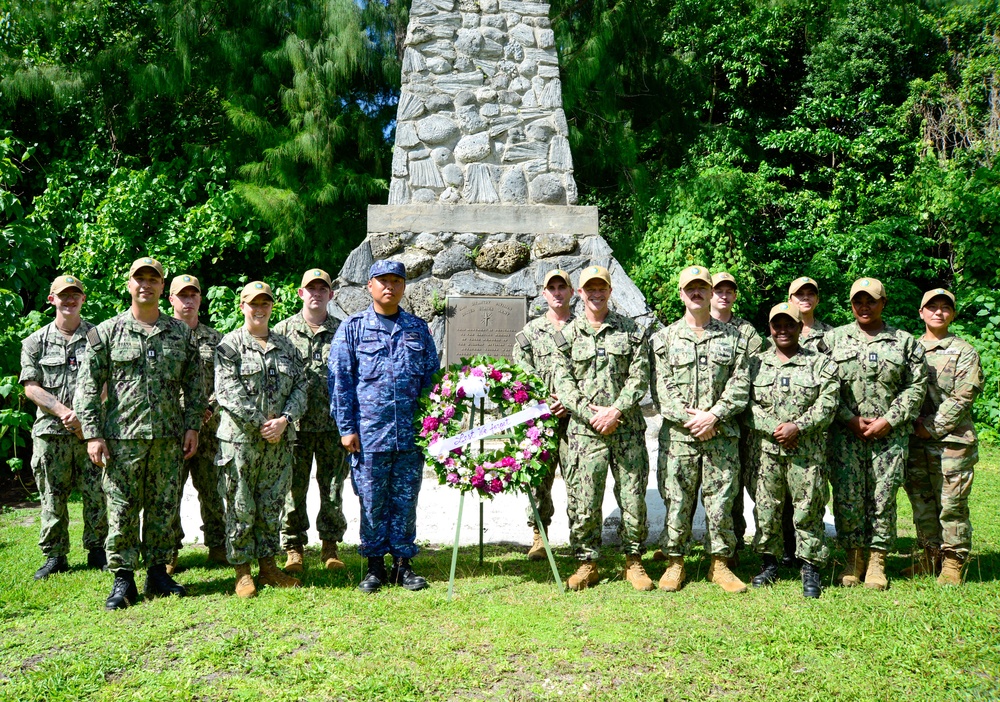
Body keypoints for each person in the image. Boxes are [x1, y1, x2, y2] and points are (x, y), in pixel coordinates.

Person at [74, 257, 206, 610]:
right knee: (122, 509)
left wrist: (193, 424)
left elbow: (195, 384)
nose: (146, 284)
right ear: (129, 284)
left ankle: (158, 573)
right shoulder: (105, 332)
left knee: (164, 507)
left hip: (168, 438)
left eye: (154, 279)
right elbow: (87, 387)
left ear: (163, 287)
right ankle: (123, 579)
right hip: (121, 438)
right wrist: (92, 434)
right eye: (139, 279)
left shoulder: (180, 333)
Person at [330, 260, 439, 593]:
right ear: (370, 286)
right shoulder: (352, 328)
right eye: (382, 281)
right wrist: (346, 428)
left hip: (410, 434)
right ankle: (375, 565)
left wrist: (432, 425)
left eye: (396, 281)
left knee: (405, 501)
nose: (389, 287)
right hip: (369, 435)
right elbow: (340, 381)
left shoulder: (418, 329)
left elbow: (431, 382)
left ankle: (403, 565)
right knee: (372, 501)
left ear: (404, 287)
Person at [550, 265, 654, 592]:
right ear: (580, 293)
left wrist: (616, 410)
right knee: (584, 500)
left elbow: (640, 377)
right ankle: (586, 563)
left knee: (633, 497)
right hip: (584, 433)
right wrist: (592, 415)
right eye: (589, 289)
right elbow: (563, 384)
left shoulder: (632, 331)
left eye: (602, 288)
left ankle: (634, 561)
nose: (596, 294)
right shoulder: (565, 336)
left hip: (626, 430)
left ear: (610, 291)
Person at [649, 265, 750, 593]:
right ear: (681, 294)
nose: (696, 293)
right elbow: (661, 388)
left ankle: (719, 564)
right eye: (689, 288)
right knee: (676, 499)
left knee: (721, 500)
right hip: (680, 437)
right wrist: (693, 420)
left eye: (702, 288)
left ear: (710, 292)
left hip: (720, 435)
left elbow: (741, 383)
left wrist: (715, 416)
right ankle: (675, 562)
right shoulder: (662, 339)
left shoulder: (735, 338)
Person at [827, 277, 927, 591]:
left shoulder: (905, 342)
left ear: (883, 303)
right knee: (847, 497)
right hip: (846, 436)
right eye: (858, 301)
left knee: (883, 498)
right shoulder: (832, 340)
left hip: (889, 437)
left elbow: (916, 386)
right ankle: (852, 558)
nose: (864, 306)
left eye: (871, 300)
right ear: (851, 304)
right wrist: (848, 418)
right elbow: (823, 384)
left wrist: (889, 419)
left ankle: (876, 560)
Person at [214, 281, 309, 598]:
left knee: (272, 506)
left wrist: (284, 421)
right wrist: (262, 424)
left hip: (279, 443)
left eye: (265, 302)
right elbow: (228, 392)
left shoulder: (287, 347)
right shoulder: (230, 346)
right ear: (242, 306)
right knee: (240, 506)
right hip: (241, 442)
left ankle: (268, 567)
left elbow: (301, 387)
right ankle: (242, 572)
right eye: (253, 303)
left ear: (271, 306)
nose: (259, 308)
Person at [747, 303, 838, 598]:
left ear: (801, 327)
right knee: (767, 508)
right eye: (777, 325)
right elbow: (746, 404)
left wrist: (798, 426)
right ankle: (769, 562)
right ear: (770, 328)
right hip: (767, 451)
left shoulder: (821, 364)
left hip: (806, 451)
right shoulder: (755, 364)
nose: (783, 330)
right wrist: (775, 426)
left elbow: (828, 403)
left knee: (808, 508)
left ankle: (810, 565)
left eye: (789, 324)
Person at [20, 275, 108, 580]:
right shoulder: (35, 342)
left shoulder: (97, 337)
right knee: (52, 495)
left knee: (96, 492)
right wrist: (62, 412)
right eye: (63, 296)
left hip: (90, 432)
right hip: (50, 433)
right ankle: (55, 555)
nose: (70, 300)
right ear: (51, 300)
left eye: (75, 295)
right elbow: (31, 387)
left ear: (83, 299)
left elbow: (107, 381)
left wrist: (83, 416)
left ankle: (97, 548)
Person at [904, 288, 982, 586]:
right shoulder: (909, 348)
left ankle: (953, 562)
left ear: (953, 314)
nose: (938, 312)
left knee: (951, 504)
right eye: (931, 307)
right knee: (922, 503)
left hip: (952, 443)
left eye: (945, 308)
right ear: (921, 312)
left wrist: (931, 426)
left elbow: (964, 396)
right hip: (914, 442)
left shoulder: (964, 351)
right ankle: (929, 556)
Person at [274, 269, 349, 573]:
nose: (316, 294)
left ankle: (330, 547)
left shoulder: (344, 331)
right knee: (293, 488)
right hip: (295, 428)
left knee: (332, 488)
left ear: (331, 295)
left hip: (332, 425)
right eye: (311, 289)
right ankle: (294, 547)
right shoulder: (281, 331)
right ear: (301, 294)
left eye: (323, 289)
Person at [166, 274, 226, 572]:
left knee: (213, 489)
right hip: (172, 428)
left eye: (193, 295)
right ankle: (170, 551)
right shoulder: (164, 336)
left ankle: (217, 545)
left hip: (208, 430)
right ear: (171, 299)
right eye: (182, 295)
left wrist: (207, 409)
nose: (188, 301)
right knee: (169, 491)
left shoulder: (215, 339)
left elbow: (225, 381)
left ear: (200, 299)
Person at [512, 269, 574, 560]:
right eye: (552, 288)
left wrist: (569, 399)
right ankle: (539, 535)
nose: (558, 292)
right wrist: (544, 397)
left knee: (579, 481)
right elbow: (520, 367)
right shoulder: (530, 332)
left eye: (563, 287)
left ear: (572, 292)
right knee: (538, 480)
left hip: (577, 417)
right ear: (544, 294)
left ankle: (581, 538)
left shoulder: (584, 326)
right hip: (542, 418)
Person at [709, 271, 763, 564]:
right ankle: (724, 543)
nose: (724, 296)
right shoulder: (699, 327)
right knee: (719, 486)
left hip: (743, 419)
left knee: (743, 481)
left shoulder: (747, 333)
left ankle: (738, 540)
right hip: (711, 423)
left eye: (730, 291)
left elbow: (754, 374)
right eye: (719, 290)